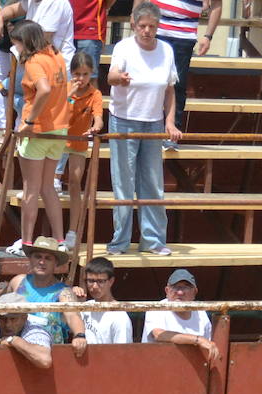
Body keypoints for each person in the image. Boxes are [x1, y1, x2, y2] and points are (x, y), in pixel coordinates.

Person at [106, 3, 181, 256]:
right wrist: (119, 78)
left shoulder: (166, 50)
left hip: (153, 122)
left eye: (151, 26)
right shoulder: (123, 47)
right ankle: (120, 241)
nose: (147, 31)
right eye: (142, 26)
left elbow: (170, 90)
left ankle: (153, 240)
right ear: (134, 25)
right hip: (124, 119)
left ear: (158, 26)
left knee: (152, 182)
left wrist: (170, 122)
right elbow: (111, 76)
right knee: (123, 182)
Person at [6, 19, 70, 255]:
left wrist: (29, 121)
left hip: (38, 129)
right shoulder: (56, 55)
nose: (17, 49)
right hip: (60, 128)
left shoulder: (34, 61)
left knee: (30, 189)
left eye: (18, 44)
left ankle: (26, 242)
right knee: (48, 187)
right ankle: (60, 240)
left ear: (26, 42)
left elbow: (43, 89)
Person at [0, 0, 75, 142]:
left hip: (54, 68)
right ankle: (19, 127)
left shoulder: (55, 2)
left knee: (8, 88)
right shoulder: (32, 1)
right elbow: (13, 9)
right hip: (39, 65)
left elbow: (42, 40)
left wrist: (16, 45)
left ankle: (21, 125)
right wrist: (0, 16)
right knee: (9, 89)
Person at [152, 0, 221, 148]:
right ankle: (148, 131)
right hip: (154, 28)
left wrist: (208, 36)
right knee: (149, 81)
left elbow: (216, 5)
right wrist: (135, 13)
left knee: (177, 84)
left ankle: (171, 134)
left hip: (184, 35)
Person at [61, 50, 103, 249]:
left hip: (78, 143)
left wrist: (95, 127)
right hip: (59, 142)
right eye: (77, 74)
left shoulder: (95, 94)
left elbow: (99, 117)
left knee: (75, 183)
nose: (81, 78)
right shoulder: (65, 89)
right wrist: (69, 95)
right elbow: (56, 112)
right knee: (51, 184)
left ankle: (72, 231)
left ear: (91, 74)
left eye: (85, 74)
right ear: (71, 73)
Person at [5, 236, 72, 341]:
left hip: (50, 354)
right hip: (13, 351)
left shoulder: (64, 292)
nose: (42, 262)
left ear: (56, 263)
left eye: (48, 258)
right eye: (38, 256)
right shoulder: (18, 282)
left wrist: (80, 335)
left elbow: (73, 316)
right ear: (30, 259)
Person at [142, 268, 218, 361]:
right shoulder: (156, 308)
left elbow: (208, 345)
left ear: (194, 292)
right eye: (175, 287)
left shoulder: (200, 313)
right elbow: (159, 334)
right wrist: (198, 340)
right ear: (167, 291)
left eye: (186, 287)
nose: (180, 292)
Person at [59, 256, 132, 352]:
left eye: (100, 281)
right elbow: (63, 326)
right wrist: (74, 302)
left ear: (111, 281)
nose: (94, 286)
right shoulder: (85, 307)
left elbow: (122, 353)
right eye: (91, 281)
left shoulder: (119, 317)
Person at [0, 292, 54, 369]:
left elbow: (45, 360)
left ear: (24, 317)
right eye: (3, 319)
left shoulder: (35, 330)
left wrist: (13, 340)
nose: (7, 324)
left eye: (13, 319)